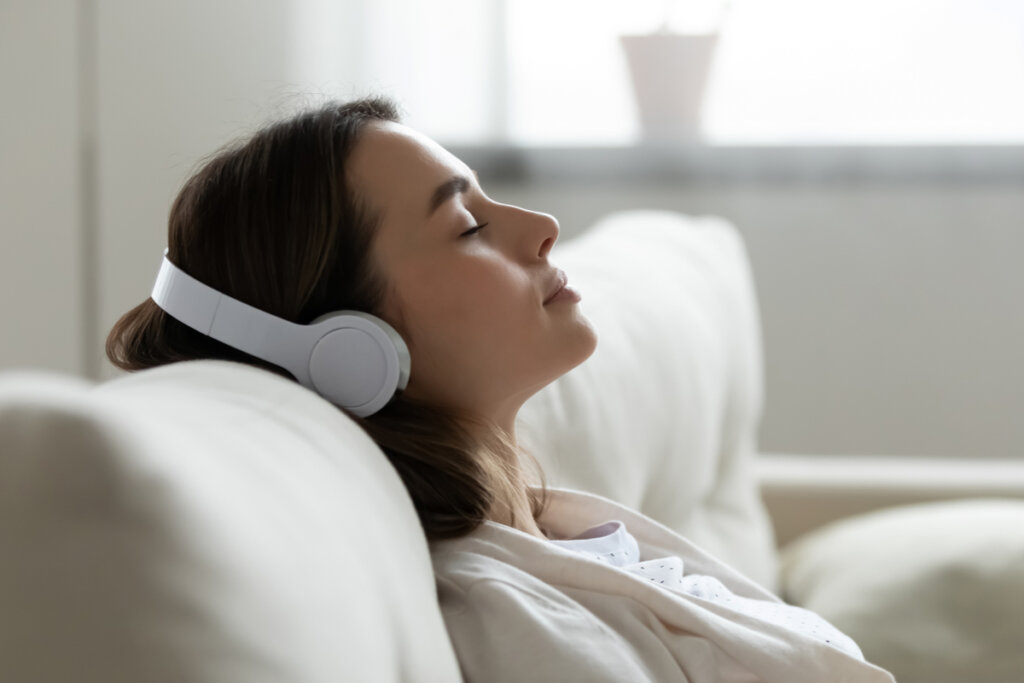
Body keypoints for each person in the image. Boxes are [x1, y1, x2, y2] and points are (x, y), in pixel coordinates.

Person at [107, 98, 895, 682]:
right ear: (349, 351)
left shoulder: (562, 534)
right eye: (468, 226)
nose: (541, 224)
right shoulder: (515, 628)